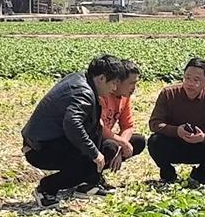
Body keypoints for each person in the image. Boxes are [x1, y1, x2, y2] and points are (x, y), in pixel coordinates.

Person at [22, 55, 127, 208]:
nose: (115, 89)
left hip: (50, 141)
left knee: (103, 150)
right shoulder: (83, 92)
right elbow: (72, 124)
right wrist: (94, 153)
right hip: (40, 148)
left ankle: (89, 184)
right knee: (87, 164)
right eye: (113, 83)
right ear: (102, 78)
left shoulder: (81, 79)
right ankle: (46, 189)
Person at [147, 57, 205, 188]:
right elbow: (155, 123)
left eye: (196, 80)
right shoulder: (168, 94)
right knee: (154, 141)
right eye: (187, 78)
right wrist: (176, 131)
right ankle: (168, 175)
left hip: (200, 145)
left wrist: (203, 137)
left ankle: (199, 177)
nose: (190, 83)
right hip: (174, 143)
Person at [97, 59, 146, 180]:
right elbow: (99, 128)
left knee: (138, 141)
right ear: (118, 82)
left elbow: (128, 126)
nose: (134, 88)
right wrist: (122, 143)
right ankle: (90, 176)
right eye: (131, 83)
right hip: (95, 140)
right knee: (110, 146)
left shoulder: (125, 97)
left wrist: (121, 148)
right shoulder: (103, 95)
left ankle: (98, 171)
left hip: (110, 141)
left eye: (136, 83)